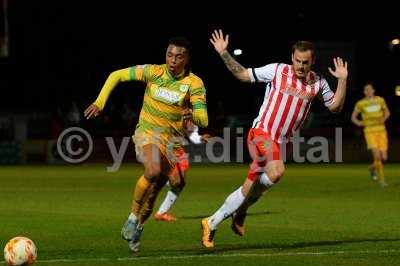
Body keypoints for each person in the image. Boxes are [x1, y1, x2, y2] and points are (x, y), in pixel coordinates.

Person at [201, 29, 348, 248]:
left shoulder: (318, 82)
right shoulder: (277, 71)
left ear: (313, 61)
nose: (300, 66)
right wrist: (224, 53)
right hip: (261, 133)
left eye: (305, 62)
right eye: (297, 61)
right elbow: (243, 75)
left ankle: (213, 222)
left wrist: (343, 80)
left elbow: (335, 107)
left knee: (250, 186)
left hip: (282, 142)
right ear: (292, 58)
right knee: (277, 171)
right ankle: (240, 211)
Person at [84, 37, 208, 252]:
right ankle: (132, 217)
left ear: (186, 59)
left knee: (170, 186)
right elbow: (117, 75)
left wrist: (193, 114)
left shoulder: (194, 84)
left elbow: (203, 120)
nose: (172, 60)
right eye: (169, 54)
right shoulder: (153, 72)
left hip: (172, 143)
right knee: (152, 170)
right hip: (148, 133)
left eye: (178, 56)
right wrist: (100, 102)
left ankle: (139, 226)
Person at [154, 120, 211, 222]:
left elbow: (192, 134)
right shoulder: (170, 109)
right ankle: (154, 182)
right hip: (165, 148)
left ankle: (161, 212)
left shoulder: (192, 116)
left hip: (178, 151)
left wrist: (200, 138)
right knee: (175, 182)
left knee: (179, 183)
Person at [351, 83, 390, 187]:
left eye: (369, 89)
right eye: (366, 90)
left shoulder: (380, 100)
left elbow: (387, 113)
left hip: (381, 131)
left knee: (384, 158)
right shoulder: (360, 103)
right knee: (377, 157)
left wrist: (384, 118)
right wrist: (359, 123)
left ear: (373, 90)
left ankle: (372, 168)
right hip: (369, 131)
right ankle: (382, 181)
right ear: (364, 92)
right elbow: (353, 117)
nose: (368, 91)